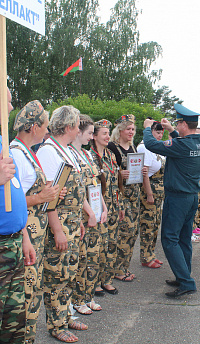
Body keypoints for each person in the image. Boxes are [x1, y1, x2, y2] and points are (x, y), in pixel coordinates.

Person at [10, 101, 61, 344]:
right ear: (33, 127)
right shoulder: (16, 155)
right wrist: (41, 197)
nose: (48, 129)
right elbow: (12, 200)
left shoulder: (27, 151)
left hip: (35, 232)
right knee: (26, 293)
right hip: (25, 232)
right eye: (45, 125)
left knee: (33, 291)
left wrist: (48, 195)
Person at [143, 103, 200, 298]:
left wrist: (146, 127)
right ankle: (183, 275)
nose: (176, 126)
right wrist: (172, 131)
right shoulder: (199, 143)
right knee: (183, 239)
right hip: (190, 197)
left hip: (178, 198)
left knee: (169, 239)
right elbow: (182, 144)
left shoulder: (182, 144)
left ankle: (186, 282)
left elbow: (151, 144)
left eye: (178, 123)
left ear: (184, 124)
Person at [37, 106, 87, 342]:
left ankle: (65, 316)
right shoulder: (49, 152)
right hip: (60, 225)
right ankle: (56, 325)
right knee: (57, 276)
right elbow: (49, 199)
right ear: (68, 127)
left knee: (69, 274)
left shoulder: (67, 151)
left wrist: (79, 221)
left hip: (73, 223)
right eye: (77, 125)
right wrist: (57, 230)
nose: (79, 129)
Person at [0, 88, 35, 344]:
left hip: (12, 243)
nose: (12, 108)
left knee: (13, 324)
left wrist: (24, 237)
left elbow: (15, 194)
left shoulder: (2, 143)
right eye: (8, 102)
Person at [69, 115, 109, 314]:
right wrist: (89, 211)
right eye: (89, 133)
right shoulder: (69, 154)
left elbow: (95, 183)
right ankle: (77, 299)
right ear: (78, 132)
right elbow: (77, 188)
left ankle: (88, 295)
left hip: (95, 211)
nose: (92, 137)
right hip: (84, 215)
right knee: (81, 259)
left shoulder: (88, 155)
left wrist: (103, 207)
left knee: (94, 258)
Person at [108, 115, 146, 281]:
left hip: (134, 194)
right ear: (120, 130)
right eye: (128, 129)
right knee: (126, 230)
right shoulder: (112, 147)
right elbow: (106, 171)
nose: (131, 132)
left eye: (133, 129)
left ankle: (124, 267)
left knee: (133, 232)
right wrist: (118, 174)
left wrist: (142, 172)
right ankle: (117, 269)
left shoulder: (133, 148)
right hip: (121, 195)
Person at [89, 119, 124, 293]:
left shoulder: (110, 155)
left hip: (113, 207)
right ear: (94, 136)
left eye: (108, 133)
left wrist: (121, 205)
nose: (107, 136)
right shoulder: (90, 157)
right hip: (99, 209)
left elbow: (117, 183)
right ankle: (94, 282)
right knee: (99, 246)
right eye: (104, 133)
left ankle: (107, 279)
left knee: (112, 243)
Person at [137, 120, 165, 268]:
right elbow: (144, 173)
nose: (160, 135)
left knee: (155, 224)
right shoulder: (144, 147)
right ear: (150, 131)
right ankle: (145, 257)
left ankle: (151, 254)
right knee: (147, 224)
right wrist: (149, 194)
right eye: (157, 132)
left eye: (161, 133)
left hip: (159, 191)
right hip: (150, 190)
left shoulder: (155, 147)